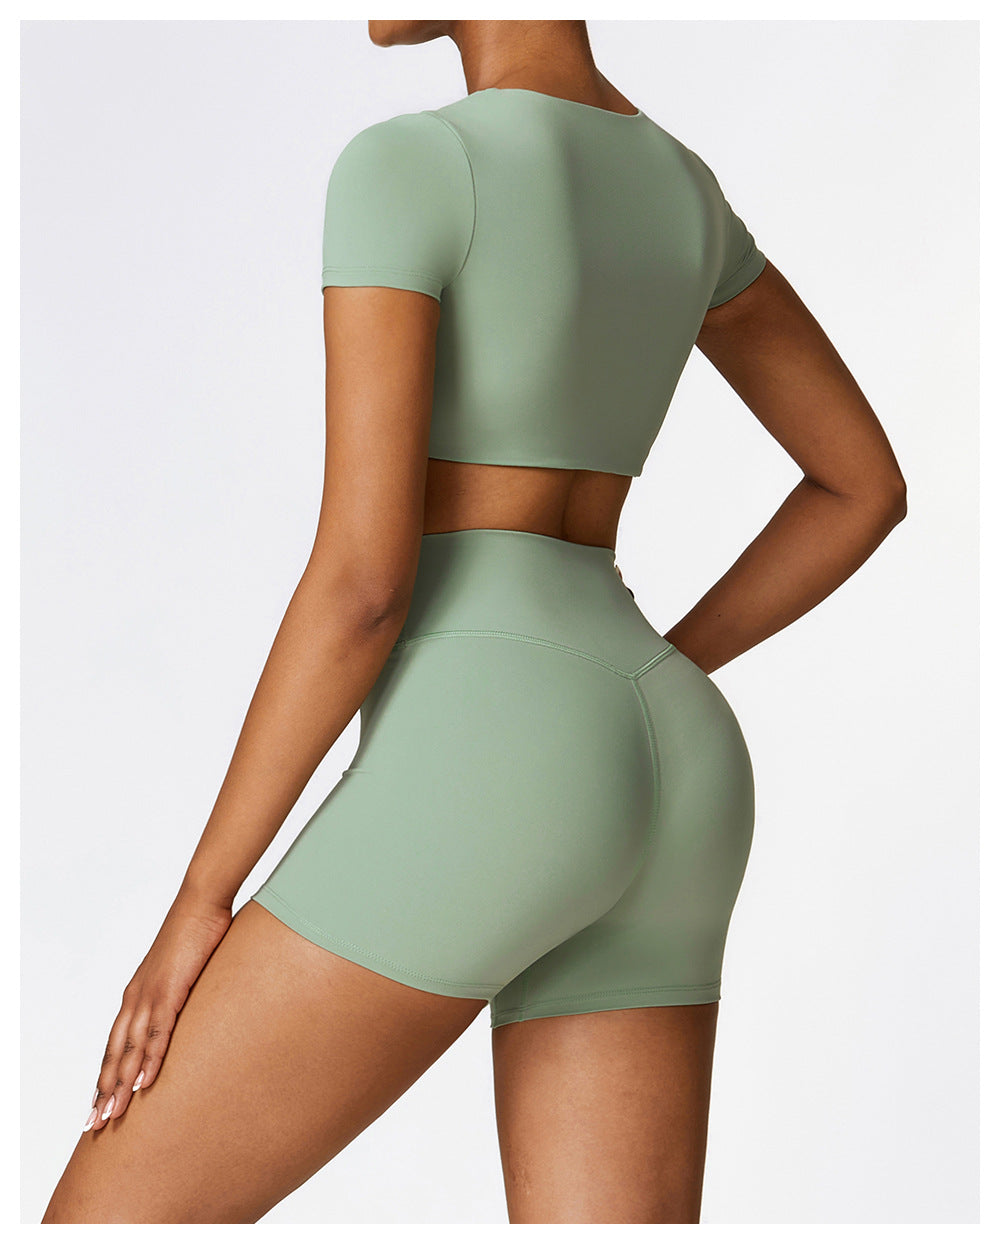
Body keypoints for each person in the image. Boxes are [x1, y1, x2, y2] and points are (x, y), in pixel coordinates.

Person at [42, 19, 907, 1225]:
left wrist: (201, 900)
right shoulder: (685, 192)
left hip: (492, 748)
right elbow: (863, 487)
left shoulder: (409, 165)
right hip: (676, 762)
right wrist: (639, 672)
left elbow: (362, 584)